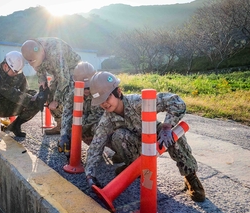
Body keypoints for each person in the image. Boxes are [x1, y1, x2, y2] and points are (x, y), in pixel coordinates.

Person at [85, 71, 206, 202]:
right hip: (139, 145)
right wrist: (90, 175)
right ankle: (134, 168)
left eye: (107, 98)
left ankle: (190, 176)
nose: (105, 104)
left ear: (118, 92)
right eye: (101, 101)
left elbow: (176, 101)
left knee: (174, 136)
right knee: (118, 136)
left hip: (157, 138)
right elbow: (96, 146)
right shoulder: (107, 119)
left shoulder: (138, 102)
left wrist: (167, 127)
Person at [21, 37, 81, 135]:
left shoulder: (55, 52)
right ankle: (60, 125)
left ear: (42, 53)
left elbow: (64, 78)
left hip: (73, 69)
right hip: (58, 72)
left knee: (65, 94)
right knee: (49, 94)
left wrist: (56, 100)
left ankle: (70, 127)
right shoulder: (33, 52)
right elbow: (40, 72)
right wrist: (42, 90)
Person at [0, 51, 45, 140]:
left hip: (12, 105)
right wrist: (30, 98)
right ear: (6, 66)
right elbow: (9, 92)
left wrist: (38, 96)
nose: (16, 74)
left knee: (37, 102)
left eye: (18, 71)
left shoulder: (18, 74)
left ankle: (15, 126)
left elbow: (25, 90)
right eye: (15, 72)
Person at [58, 61, 104, 157]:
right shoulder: (73, 94)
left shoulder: (101, 91)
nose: (87, 90)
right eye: (84, 87)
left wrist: (74, 133)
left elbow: (96, 117)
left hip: (100, 127)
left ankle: (110, 150)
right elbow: (66, 114)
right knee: (71, 121)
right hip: (85, 125)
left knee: (99, 127)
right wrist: (64, 135)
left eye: (88, 86)